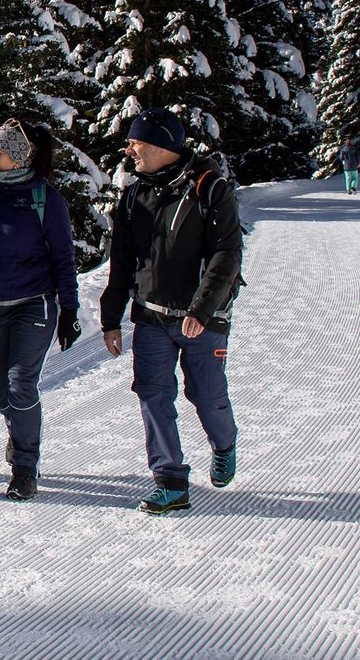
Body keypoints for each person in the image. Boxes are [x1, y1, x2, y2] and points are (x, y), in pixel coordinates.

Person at [100, 107, 244, 515]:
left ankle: (224, 442)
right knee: (152, 394)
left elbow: (226, 254)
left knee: (206, 394)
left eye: (136, 142)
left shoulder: (209, 188)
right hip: (151, 318)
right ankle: (170, 480)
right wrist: (111, 318)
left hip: (203, 317)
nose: (129, 150)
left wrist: (201, 308)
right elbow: (122, 262)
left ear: (162, 144)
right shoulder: (134, 195)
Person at [0, 119, 79, 501]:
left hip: (32, 303)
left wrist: (68, 309)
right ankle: (17, 425)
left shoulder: (46, 200)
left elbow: (64, 259)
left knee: (22, 383)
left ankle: (25, 467)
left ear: (19, 158)